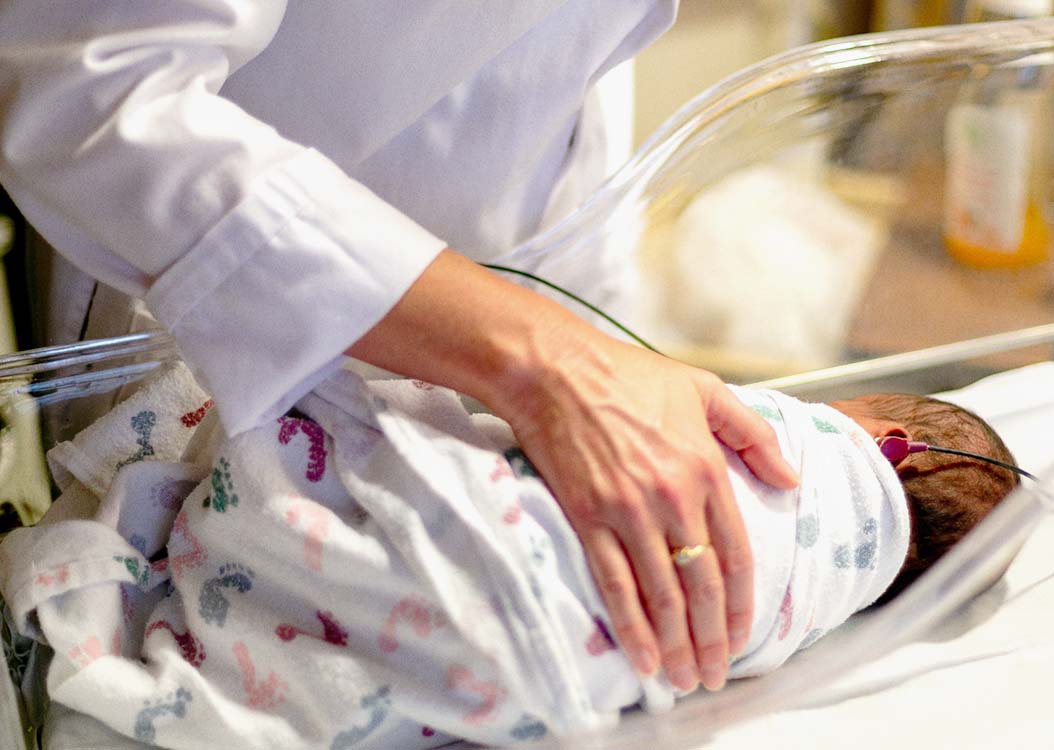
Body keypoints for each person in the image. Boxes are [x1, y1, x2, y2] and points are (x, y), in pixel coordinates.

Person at [0, 0, 802, 698]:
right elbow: (95, 97)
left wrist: (598, 349)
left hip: (523, 314)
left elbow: (561, 72)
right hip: (218, 320)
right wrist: (548, 360)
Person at [0, 365, 1018, 748]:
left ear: (889, 443)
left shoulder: (807, 451)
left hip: (487, 550)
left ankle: (216, 556)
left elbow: (624, 424)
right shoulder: (815, 608)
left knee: (317, 397)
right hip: (526, 675)